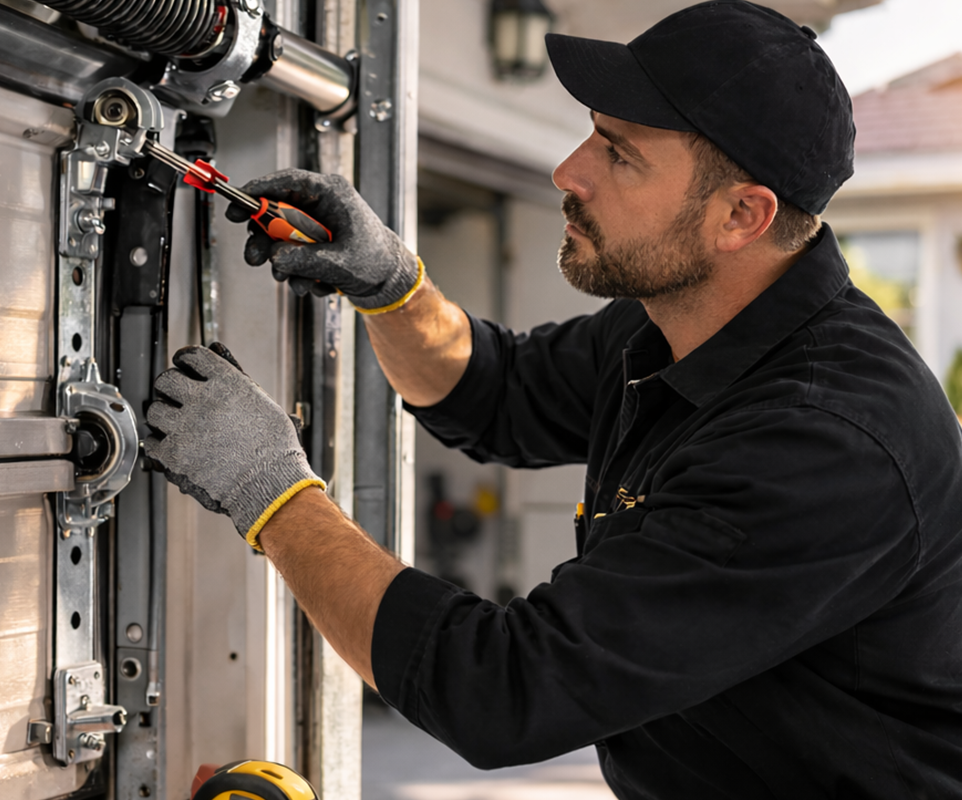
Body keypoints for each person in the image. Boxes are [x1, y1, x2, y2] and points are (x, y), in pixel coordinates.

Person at [143, 1, 962, 795]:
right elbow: (496, 392)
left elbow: (503, 692)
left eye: (619, 152)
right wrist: (393, 287)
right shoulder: (675, 325)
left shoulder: (825, 443)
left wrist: (274, 496)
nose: (569, 171)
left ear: (741, 216)